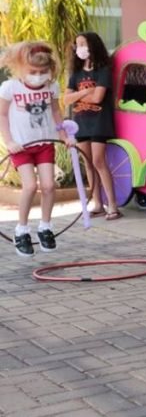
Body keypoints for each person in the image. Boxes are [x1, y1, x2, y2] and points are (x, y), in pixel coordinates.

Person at [0, 42, 74, 256]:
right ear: (20, 68)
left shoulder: (51, 87)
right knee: (30, 186)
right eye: (33, 72)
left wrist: (64, 135)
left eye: (43, 72)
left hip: (44, 143)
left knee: (49, 186)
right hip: (22, 146)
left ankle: (45, 227)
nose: (38, 76)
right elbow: (2, 116)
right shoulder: (10, 88)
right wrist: (10, 140)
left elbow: (56, 113)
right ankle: (21, 230)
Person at [65, 31, 121, 220]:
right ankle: (97, 203)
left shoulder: (103, 70)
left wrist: (79, 95)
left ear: (92, 46)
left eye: (83, 44)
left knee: (98, 161)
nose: (79, 48)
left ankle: (112, 205)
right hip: (80, 123)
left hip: (99, 123)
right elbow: (66, 99)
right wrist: (86, 91)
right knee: (88, 163)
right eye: (77, 45)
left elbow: (98, 98)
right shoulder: (76, 74)